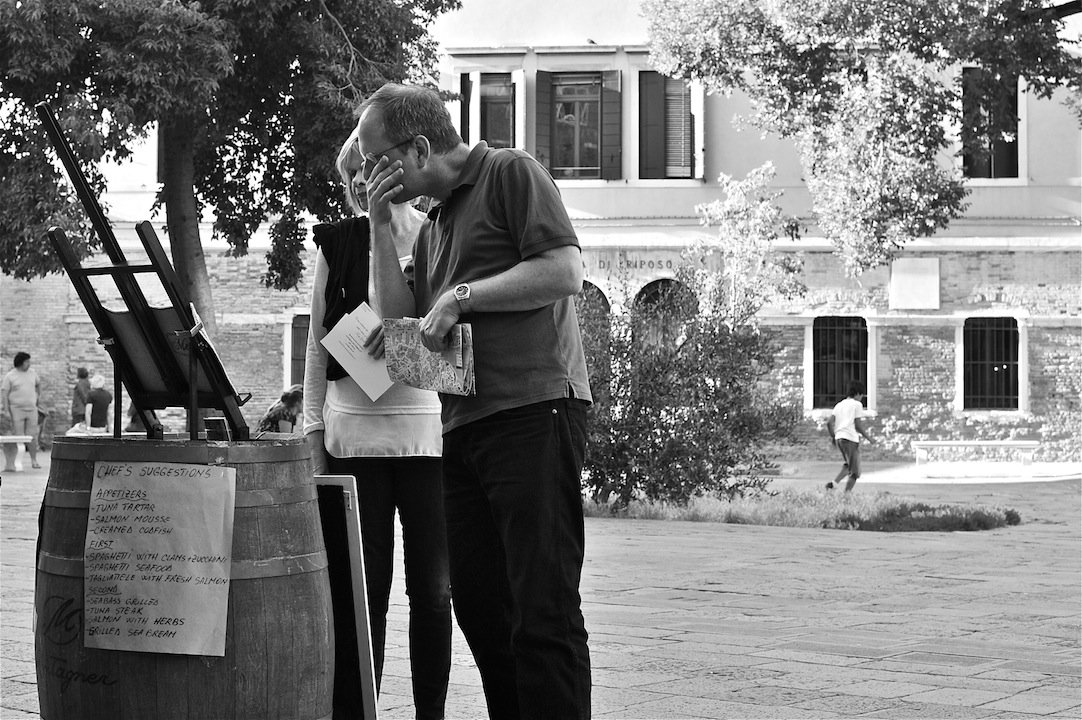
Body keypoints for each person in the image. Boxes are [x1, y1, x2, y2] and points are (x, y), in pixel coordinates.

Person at [359, 83, 592, 719]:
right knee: (481, 607)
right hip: (462, 428)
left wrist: (461, 296)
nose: (369, 174)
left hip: (534, 412)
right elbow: (401, 332)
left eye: (378, 161)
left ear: (420, 148)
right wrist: (379, 226)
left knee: (542, 609)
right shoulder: (431, 228)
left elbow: (564, 272)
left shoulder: (511, 172)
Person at [302, 128, 450, 719]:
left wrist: (397, 340)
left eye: (373, 167)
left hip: (426, 439)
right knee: (364, 597)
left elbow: (449, 345)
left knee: (433, 594)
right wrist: (313, 435)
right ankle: (359, 711)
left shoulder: (435, 234)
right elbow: (316, 351)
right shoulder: (336, 244)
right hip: (353, 442)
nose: (365, 180)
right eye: (354, 174)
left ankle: (430, 713)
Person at [826, 380, 874, 491]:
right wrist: (869, 438)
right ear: (857, 393)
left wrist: (833, 436)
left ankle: (833, 485)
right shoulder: (857, 405)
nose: (861, 398)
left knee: (848, 464)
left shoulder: (839, 405)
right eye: (861, 395)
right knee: (855, 471)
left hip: (839, 438)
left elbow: (829, 423)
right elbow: (858, 425)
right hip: (850, 439)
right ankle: (847, 495)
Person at [1, 351, 42, 469]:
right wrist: (6, 410)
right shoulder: (10, 376)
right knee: (18, 436)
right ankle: (16, 461)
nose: (29, 364)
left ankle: (34, 460)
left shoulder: (32, 373)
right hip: (16, 409)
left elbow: (38, 384)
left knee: (33, 436)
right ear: (20, 362)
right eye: (26, 362)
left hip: (31, 409)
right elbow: (4, 393)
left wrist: (38, 396)